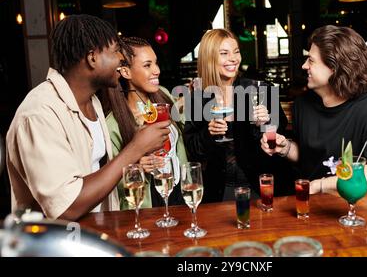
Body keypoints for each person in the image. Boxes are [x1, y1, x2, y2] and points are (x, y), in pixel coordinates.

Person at [6, 14, 170, 221]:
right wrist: (135, 148)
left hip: (97, 234)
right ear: (92, 58)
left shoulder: (92, 102)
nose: (122, 58)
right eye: (115, 51)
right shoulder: (39, 114)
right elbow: (67, 207)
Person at [261, 25, 367, 194]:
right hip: (311, 204)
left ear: (334, 68)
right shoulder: (302, 105)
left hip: (353, 206)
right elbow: (308, 156)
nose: (304, 66)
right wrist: (285, 148)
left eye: (311, 60)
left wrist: (321, 185)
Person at [184, 28, 289, 202]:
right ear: (209, 58)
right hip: (218, 192)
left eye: (236, 52)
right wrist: (208, 133)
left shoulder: (261, 89)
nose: (233, 58)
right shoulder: (197, 97)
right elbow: (193, 150)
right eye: (224, 53)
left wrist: (266, 123)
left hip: (260, 187)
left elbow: (282, 138)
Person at [104, 36, 187, 209]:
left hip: (179, 195)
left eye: (156, 63)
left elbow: (184, 135)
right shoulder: (114, 124)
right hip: (148, 204)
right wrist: (136, 169)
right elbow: (108, 184)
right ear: (125, 72)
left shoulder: (163, 96)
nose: (157, 70)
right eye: (147, 65)